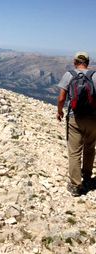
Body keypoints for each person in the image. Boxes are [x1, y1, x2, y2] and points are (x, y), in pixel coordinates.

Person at [57, 52, 96, 196]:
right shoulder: (95, 75)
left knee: (74, 152)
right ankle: (87, 176)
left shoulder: (69, 75)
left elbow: (61, 98)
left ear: (75, 61)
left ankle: (75, 185)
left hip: (75, 118)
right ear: (87, 62)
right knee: (90, 147)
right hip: (93, 119)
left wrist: (59, 111)